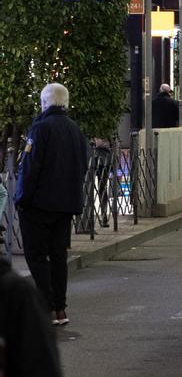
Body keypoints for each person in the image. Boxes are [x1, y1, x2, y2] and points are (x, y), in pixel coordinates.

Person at [14, 83, 88, 326]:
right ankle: (60, 310)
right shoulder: (75, 129)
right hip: (65, 205)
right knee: (58, 256)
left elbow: (30, 168)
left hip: (38, 205)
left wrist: (22, 198)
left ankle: (45, 307)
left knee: (36, 255)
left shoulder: (40, 128)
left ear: (44, 103)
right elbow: (84, 165)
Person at [0, 255, 63, 376]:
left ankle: (54, 307)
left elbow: (41, 366)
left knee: (40, 255)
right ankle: (58, 309)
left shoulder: (15, 293)